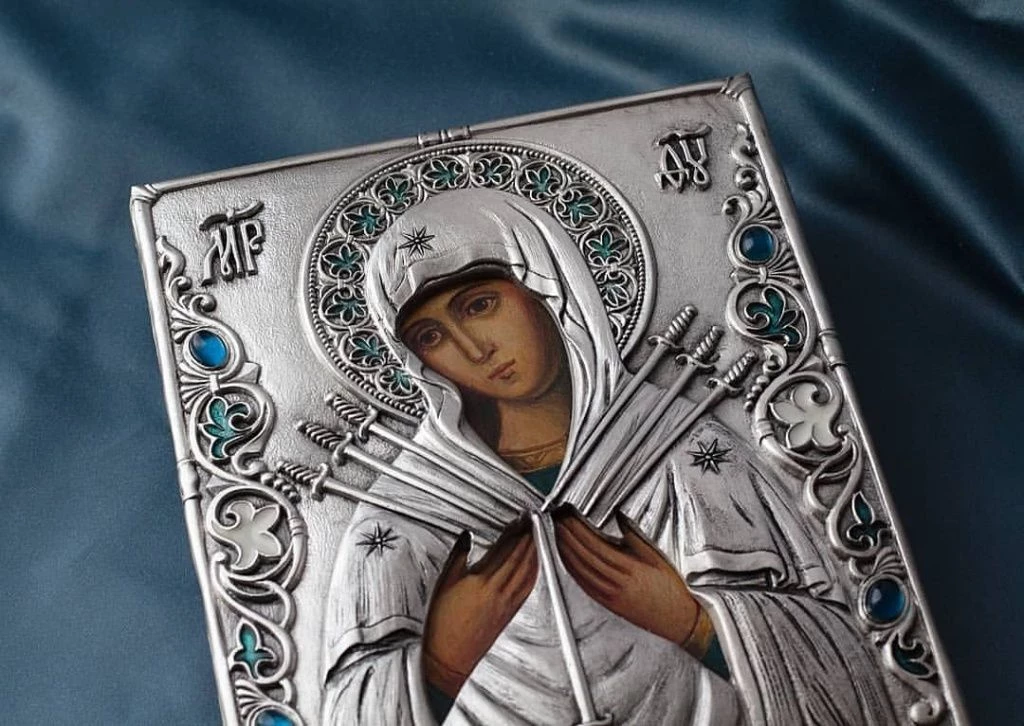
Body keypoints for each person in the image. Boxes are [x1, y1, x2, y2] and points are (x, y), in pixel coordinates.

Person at [320, 188, 896, 725]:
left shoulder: (683, 448)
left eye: (480, 305)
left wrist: (696, 625)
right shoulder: (406, 515)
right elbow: (346, 707)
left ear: (549, 287)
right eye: (431, 337)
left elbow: (851, 658)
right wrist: (438, 666)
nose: (473, 349)